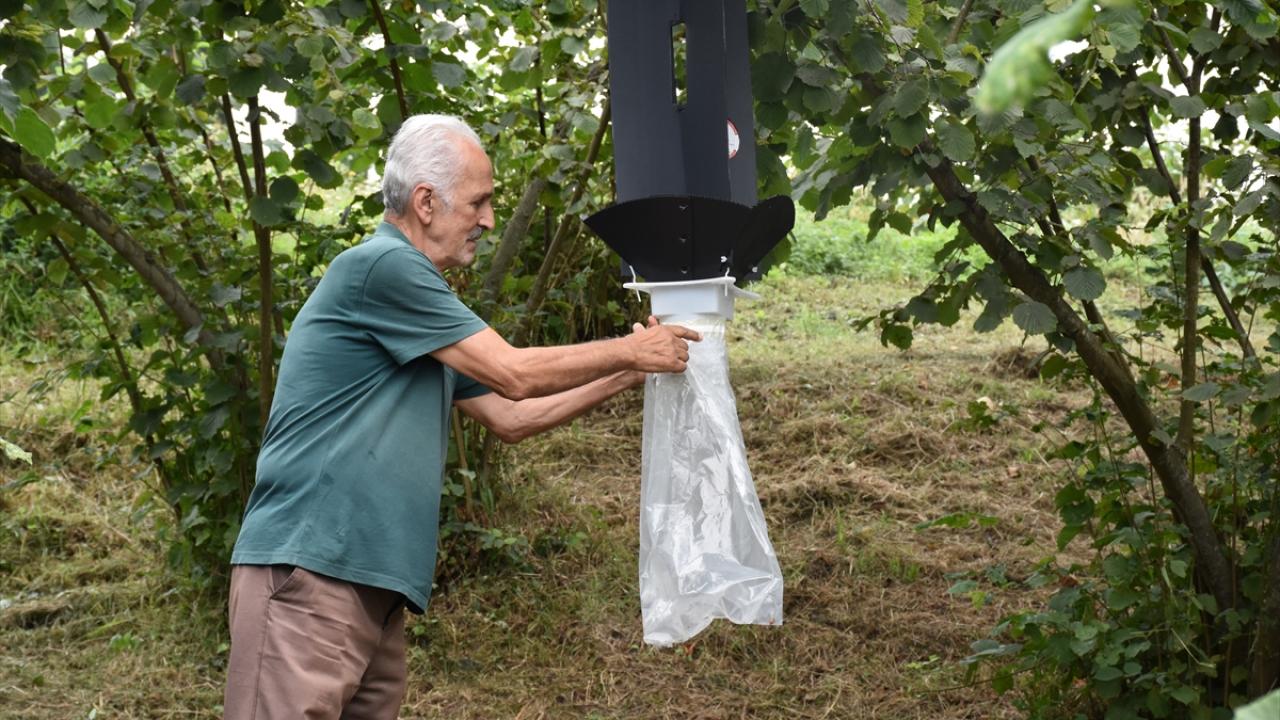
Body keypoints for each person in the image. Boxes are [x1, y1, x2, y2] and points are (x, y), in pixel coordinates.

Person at [222, 114, 699, 719]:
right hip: (309, 573)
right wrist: (629, 348)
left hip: (367, 588)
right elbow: (515, 372)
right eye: (479, 201)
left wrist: (629, 373)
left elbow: (510, 415)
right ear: (425, 201)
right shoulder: (383, 267)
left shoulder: (425, 308)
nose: (490, 219)